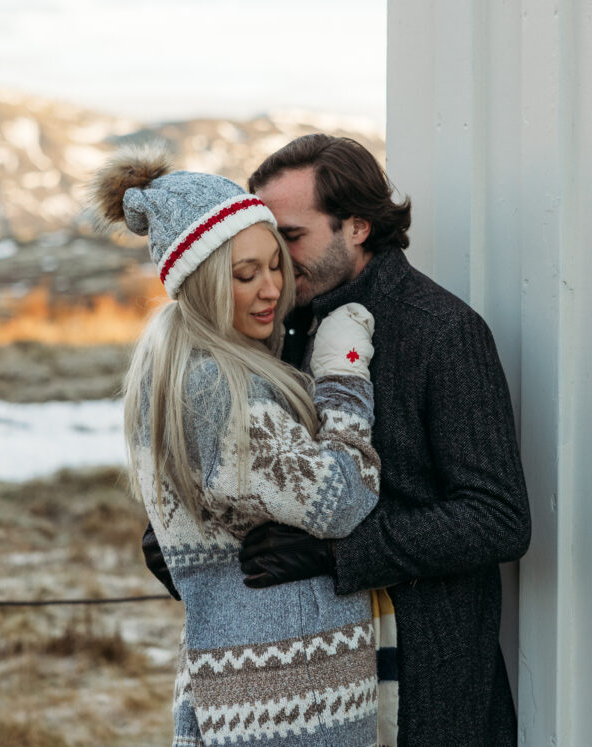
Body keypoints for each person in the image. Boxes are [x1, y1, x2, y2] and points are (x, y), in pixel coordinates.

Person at [144, 134, 531, 745]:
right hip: (302, 696)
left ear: (355, 227)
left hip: (427, 691)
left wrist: (339, 556)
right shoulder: (283, 326)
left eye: (289, 239)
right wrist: (193, 533)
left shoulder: (444, 332)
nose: (275, 262)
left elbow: (498, 518)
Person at [92, 148, 384, 746]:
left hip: (247, 675)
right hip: (287, 699)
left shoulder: (182, 366)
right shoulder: (219, 384)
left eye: (274, 265)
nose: (271, 289)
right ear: (197, 282)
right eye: (244, 274)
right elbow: (345, 499)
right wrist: (343, 374)